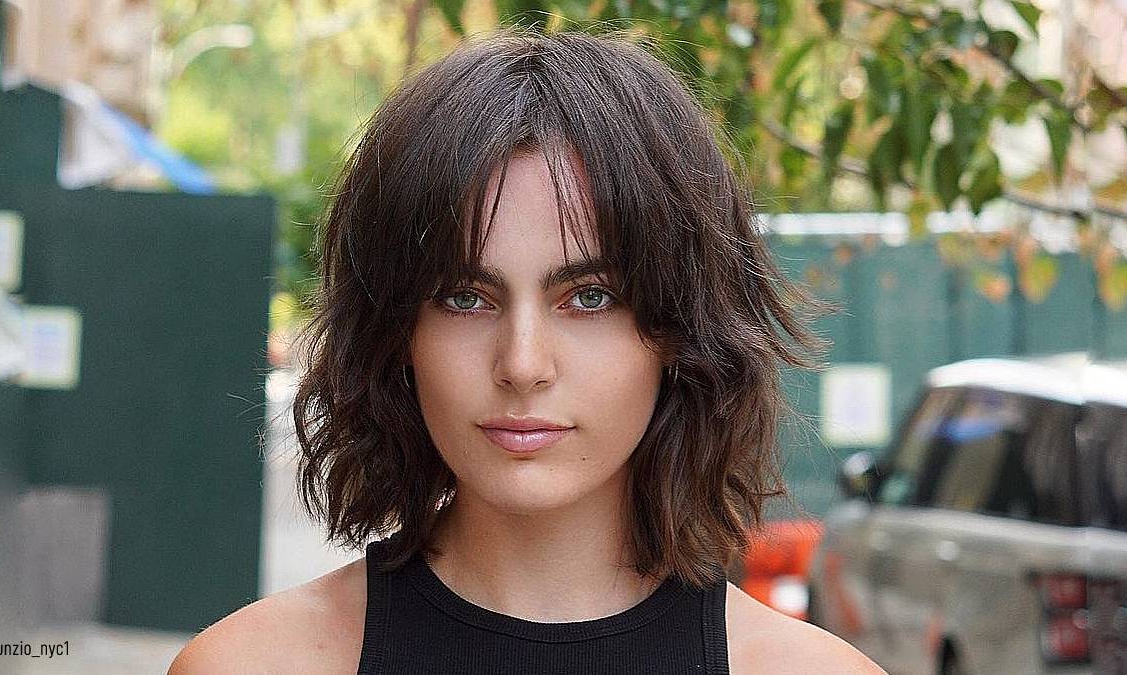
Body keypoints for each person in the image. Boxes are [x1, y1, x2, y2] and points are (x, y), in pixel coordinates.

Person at [170, 28, 885, 674]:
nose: (521, 362)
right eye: (464, 296)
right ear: (397, 333)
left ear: (680, 330)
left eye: (591, 296)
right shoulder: (251, 663)